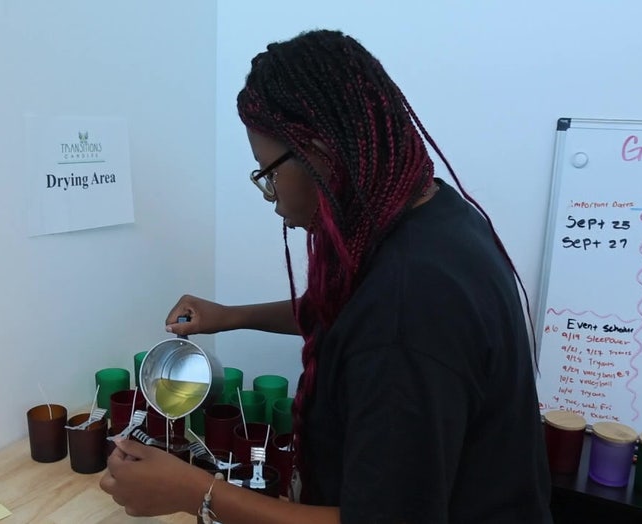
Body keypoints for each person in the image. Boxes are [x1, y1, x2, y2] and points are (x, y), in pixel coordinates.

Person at [100, 29, 552, 523]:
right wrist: (230, 316)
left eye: (268, 174)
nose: (273, 199)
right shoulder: (433, 217)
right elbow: (350, 308)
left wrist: (195, 492)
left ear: (319, 153)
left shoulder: (406, 312)